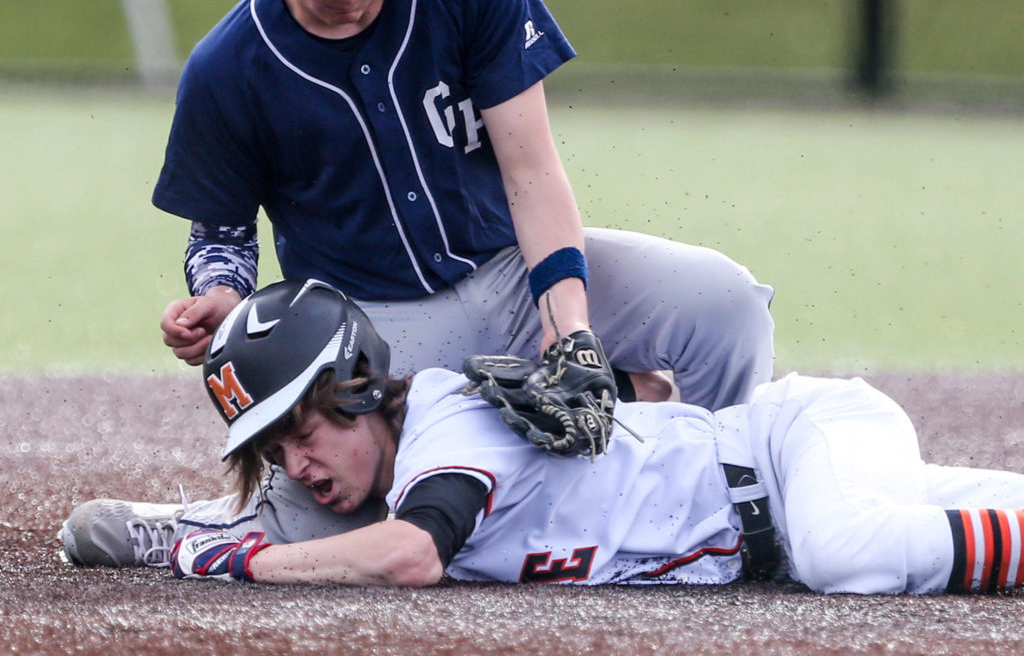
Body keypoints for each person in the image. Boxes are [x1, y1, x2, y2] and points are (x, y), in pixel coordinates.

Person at [152, 0, 775, 414]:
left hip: (512, 272)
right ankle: (630, 397)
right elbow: (220, 234)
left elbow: (530, 170)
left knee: (725, 304)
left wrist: (568, 330)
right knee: (367, 480)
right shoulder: (228, 66)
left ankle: (731, 490)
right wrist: (222, 297)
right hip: (374, 323)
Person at [61, 280, 1024, 595]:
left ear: (358, 388)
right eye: (276, 455)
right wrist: (195, 537)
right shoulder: (391, 472)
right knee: (869, 527)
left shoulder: (443, 417)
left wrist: (246, 561)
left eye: (302, 432)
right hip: (803, 476)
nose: (299, 465)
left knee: (843, 550)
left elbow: (410, 557)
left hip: (791, 447)